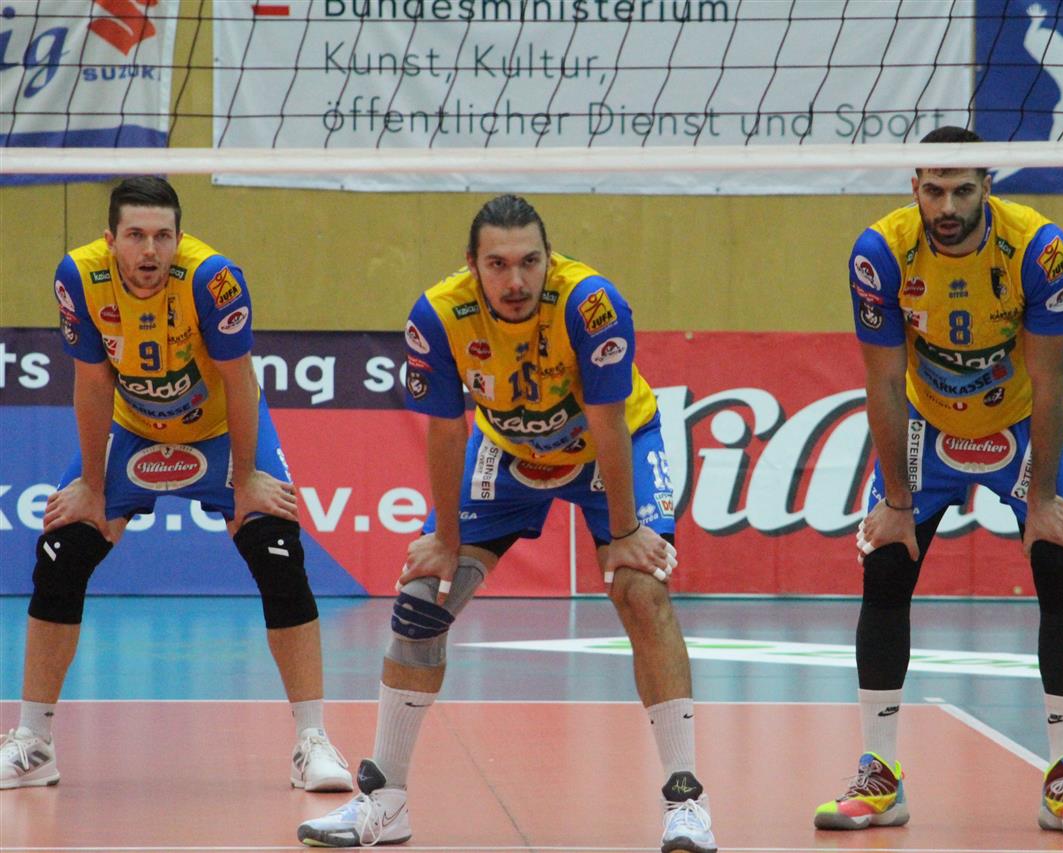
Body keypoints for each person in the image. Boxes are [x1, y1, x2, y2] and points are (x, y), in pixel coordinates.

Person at [297, 194, 716, 852]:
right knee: (422, 599)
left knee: (642, 591)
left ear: (550, 258)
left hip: (607, 446)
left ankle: (686, 802)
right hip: (508, 451)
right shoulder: (439, 315)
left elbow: (608, 421)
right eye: (498, 264)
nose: (516, 280)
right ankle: (385, 799)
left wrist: (625, 532)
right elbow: (445, 430)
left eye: (529, 262)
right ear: (472, 265)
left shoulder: (592, 305)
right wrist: (444, 538)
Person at [0, 177, 351, 794]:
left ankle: (312, 742)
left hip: (218, 430)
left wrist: (246, 479)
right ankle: (34, 742)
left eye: (163, 236)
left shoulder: (214, 280)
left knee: (276, 549)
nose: (149, 250)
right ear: (111, 239)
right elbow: (92, 382)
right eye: (135, 235)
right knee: (61, 551)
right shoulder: (79, 277)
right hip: (132, 429)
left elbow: (240, 380)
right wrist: (91, 487)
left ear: (179, 238)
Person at [812, 127, 1063, 837]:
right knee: (886, 562)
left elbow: (1051, 381)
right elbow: (883, 382)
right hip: (928, 421)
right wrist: (896, 502)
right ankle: (879, 776)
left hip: (1021, 422)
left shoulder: (1040, 250)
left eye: (962, 190)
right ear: (914, 186)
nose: (946, 206)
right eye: (933, 189)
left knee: (1060, 562)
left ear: (988, 186)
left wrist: (1042, 500)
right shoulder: (880, 253)